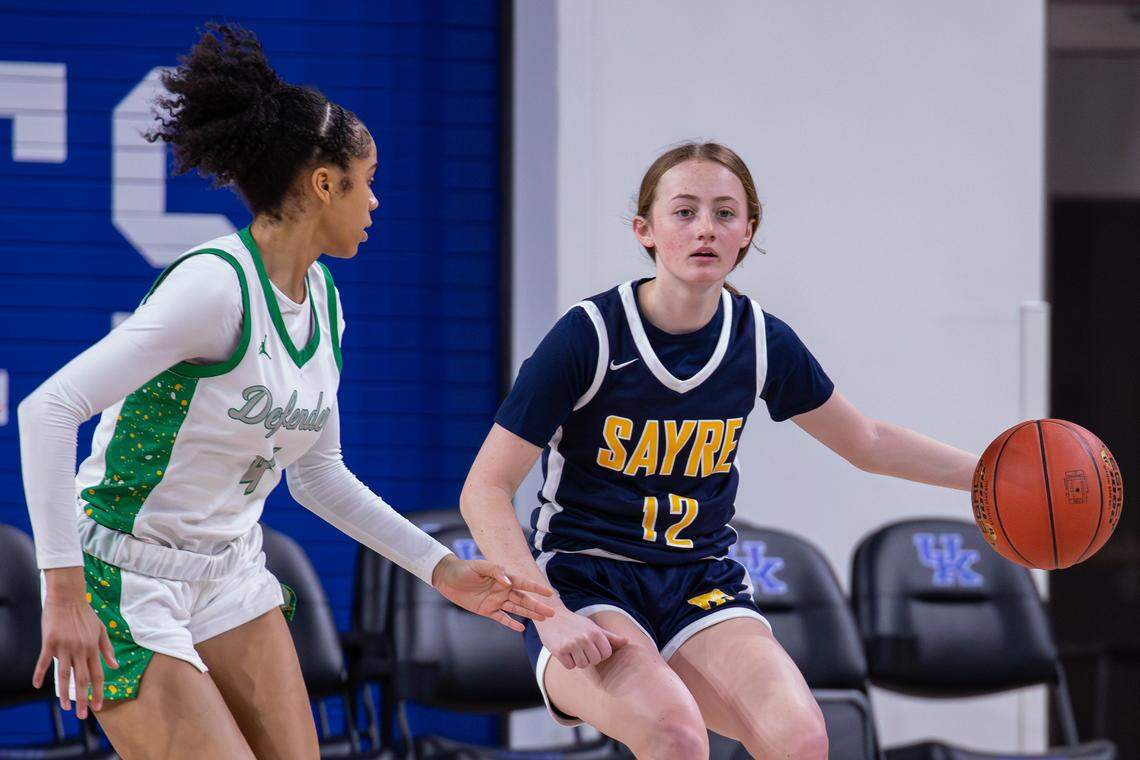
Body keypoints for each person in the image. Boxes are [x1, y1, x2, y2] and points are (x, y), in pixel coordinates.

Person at [17, 24, 553, 760]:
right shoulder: (214, 287)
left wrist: (444, 569)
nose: (375, 203)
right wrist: (65, 591)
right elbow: (45, 410)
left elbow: (319, 476)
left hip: (231, 570)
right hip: (122, 575)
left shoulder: (324, 300)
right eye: (367, 182)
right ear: (324, 183)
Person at [459, 141, 979, 759]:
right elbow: (485, 489)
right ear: (644, 231)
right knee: (675, 733)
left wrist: (990, 477)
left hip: (699, 578)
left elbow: (865, 442)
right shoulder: (589, 335)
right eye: (683, 211)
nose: (705, 228)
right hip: (585, 576)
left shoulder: (761, 340)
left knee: (802, 736)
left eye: (725, 213)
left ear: (747, 233)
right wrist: (549, 614)